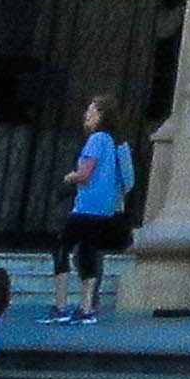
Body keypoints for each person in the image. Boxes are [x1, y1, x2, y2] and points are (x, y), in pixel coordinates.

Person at [55, 99, 136, 322]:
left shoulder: (96, 139)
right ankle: (88, 306)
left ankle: (62, 305)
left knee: (63, 249)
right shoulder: (120, 144)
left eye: (91, 111)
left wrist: (69, 178)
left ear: (102, 115)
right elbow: (129, 181)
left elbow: (84, 174)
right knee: (89, 252)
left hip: (87, 205)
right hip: (108, 209)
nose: (86, 115)